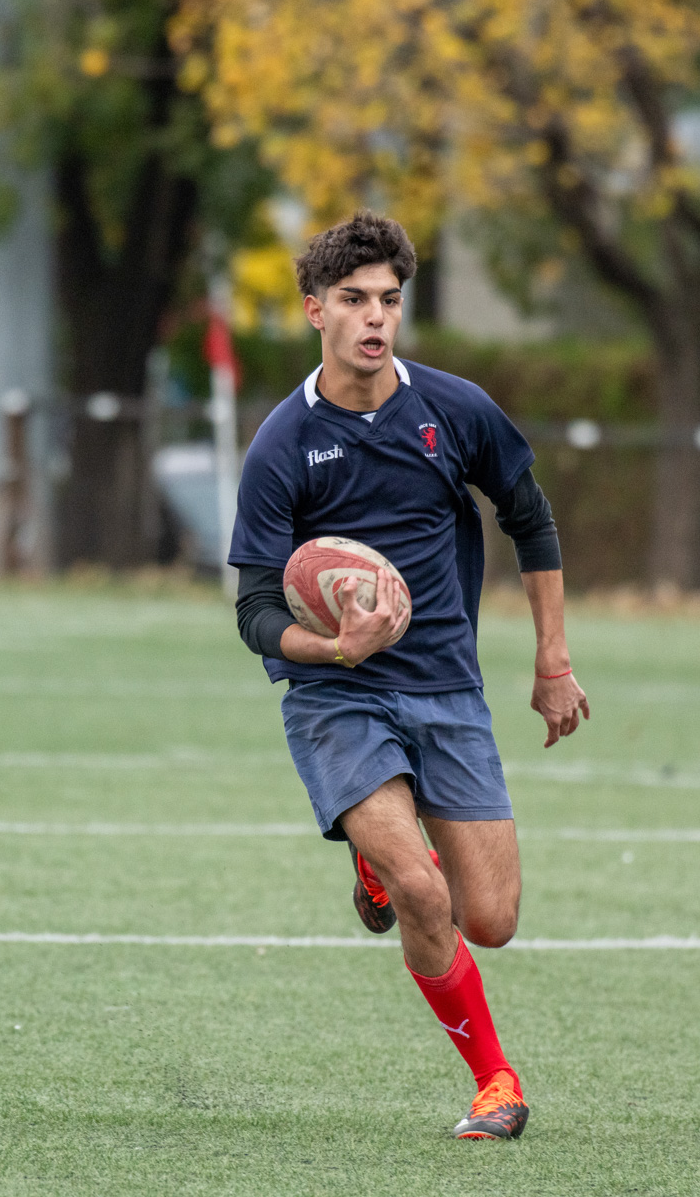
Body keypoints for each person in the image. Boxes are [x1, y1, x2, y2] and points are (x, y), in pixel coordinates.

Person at [230, 211, 590, 1140]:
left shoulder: (454, 411)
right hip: (336, 697)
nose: (374, 318)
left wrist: (551, 659)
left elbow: (532, 520)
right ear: (316, 311)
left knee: (493, 918)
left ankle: (379, 868)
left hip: (448, 691)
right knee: (429, 898)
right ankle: (495, 1082)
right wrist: (334, 649)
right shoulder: (281, 445)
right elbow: (257, 613)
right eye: (353, 300)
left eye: (389, 300)